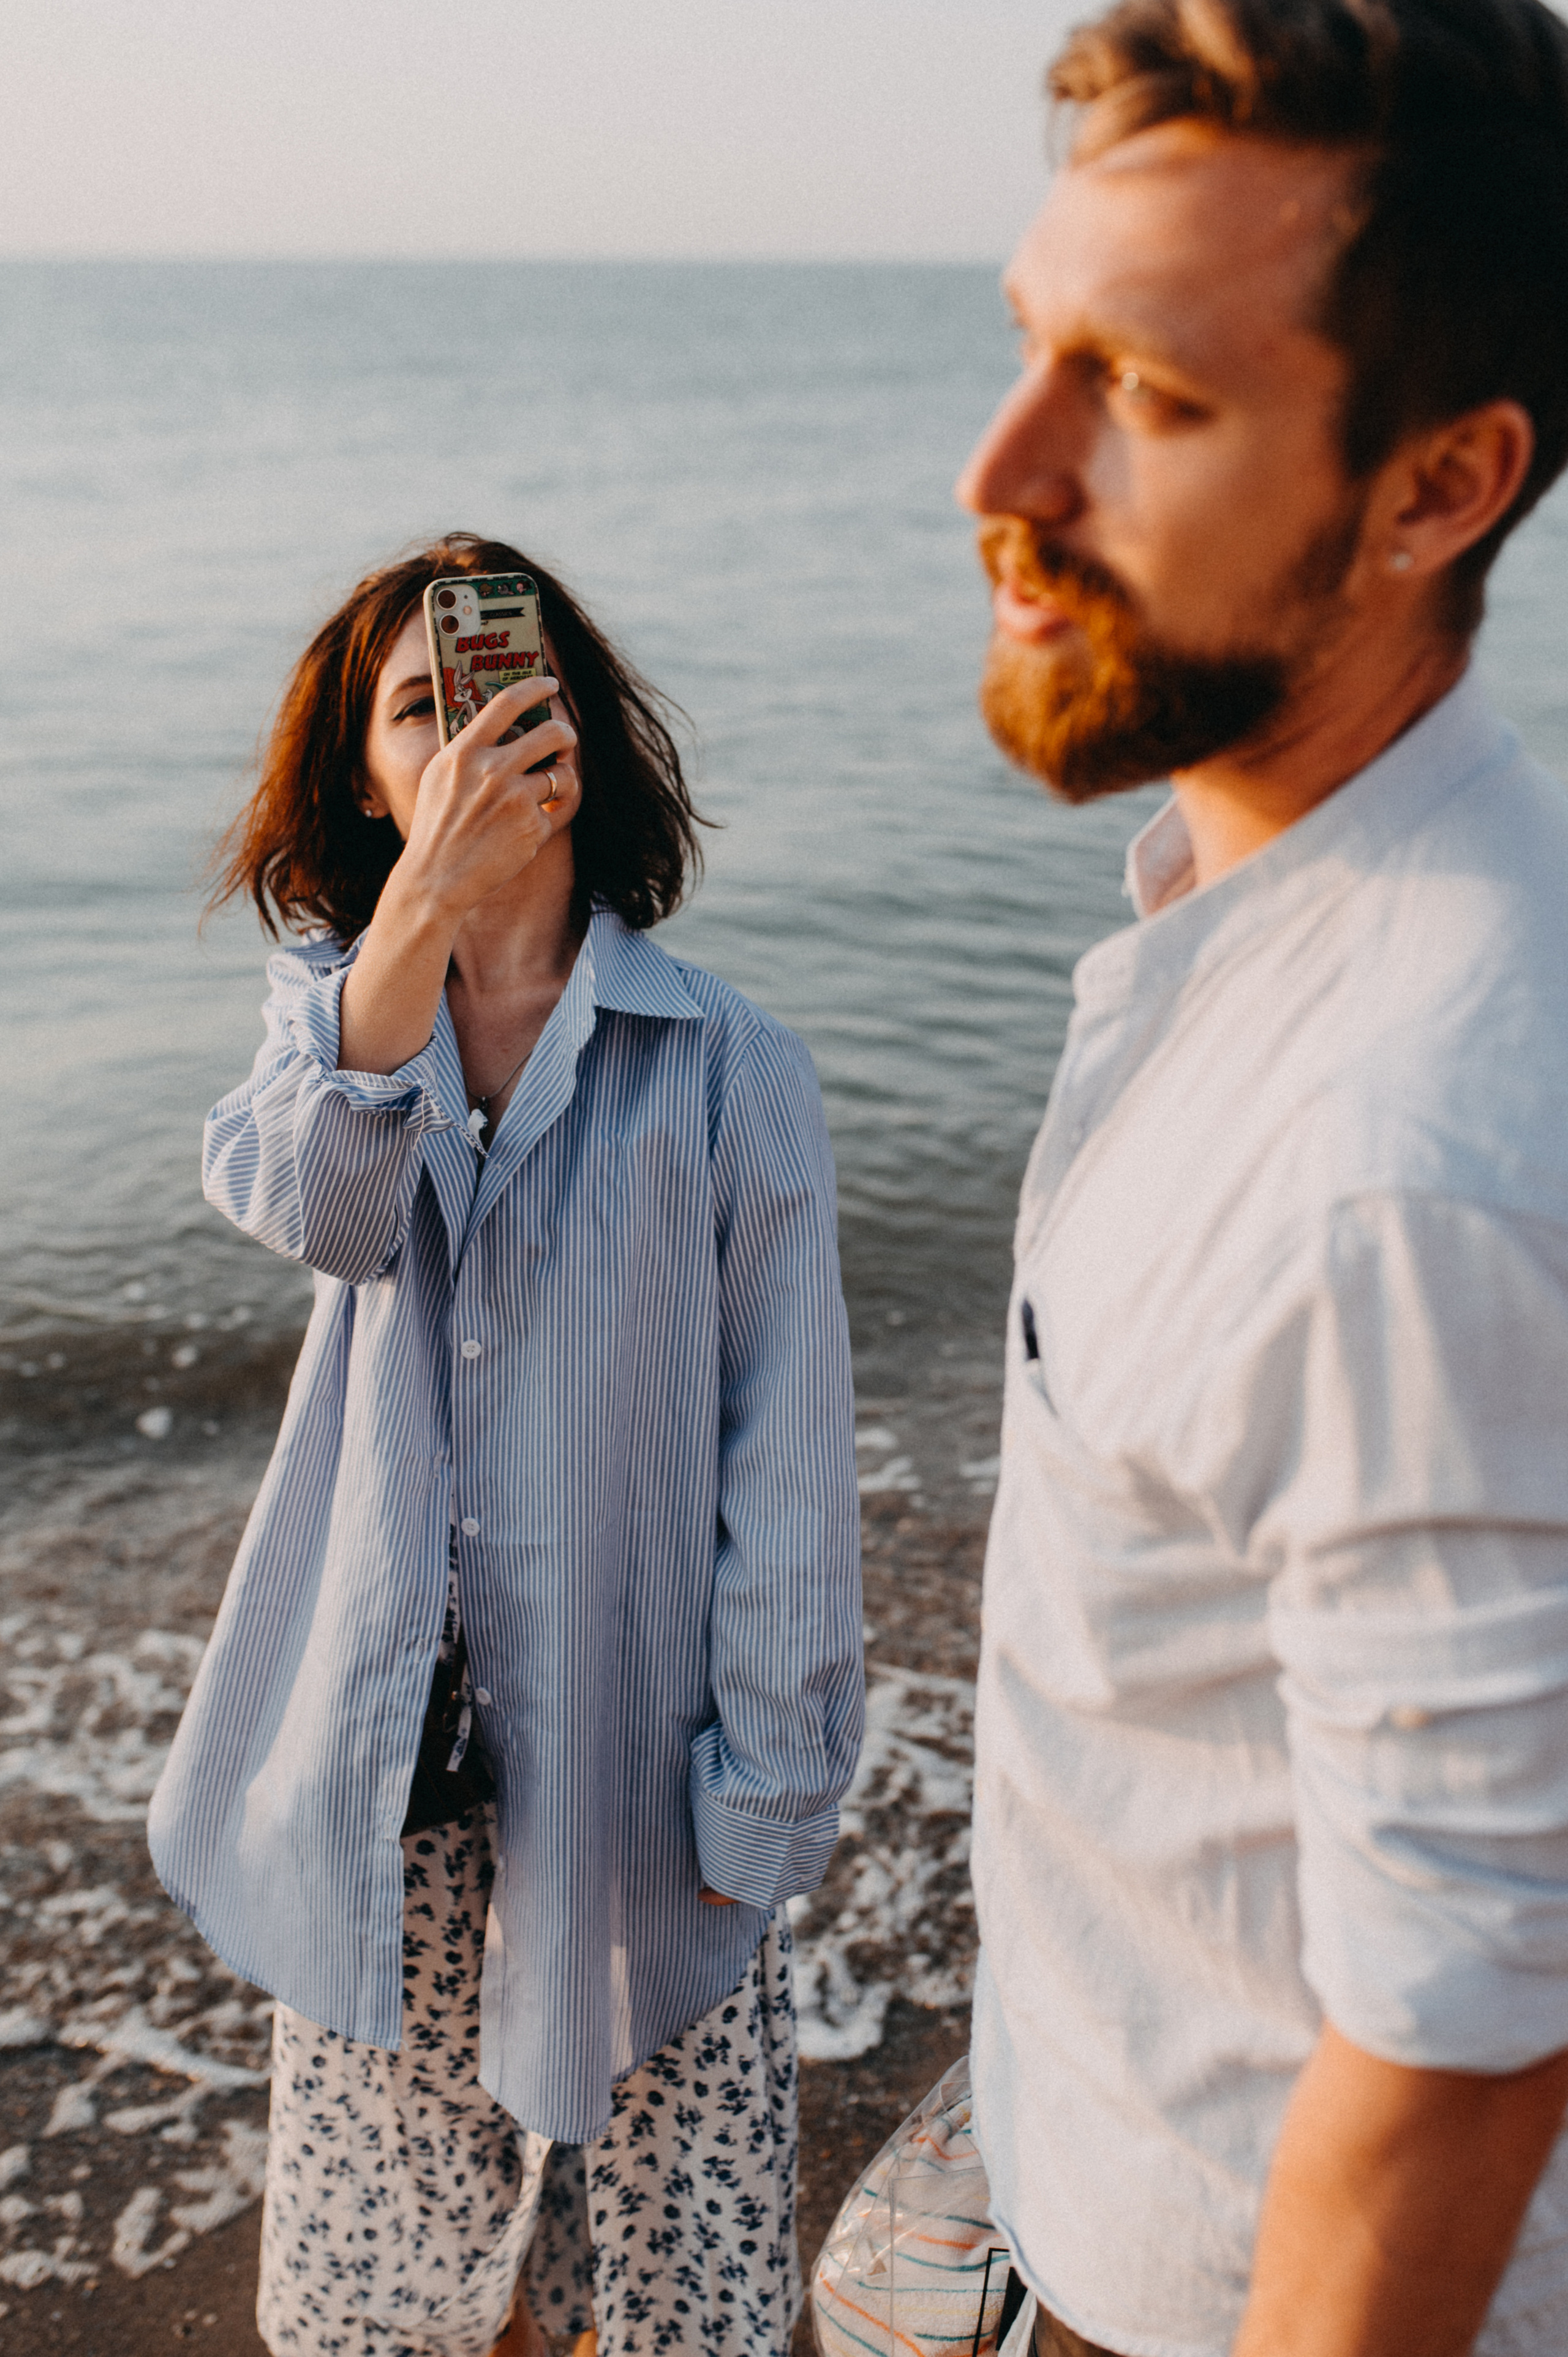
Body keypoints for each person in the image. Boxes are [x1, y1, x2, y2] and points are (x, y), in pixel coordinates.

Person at [956, 3, 1568, 2353]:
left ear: (1438, 487)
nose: (1004, 471)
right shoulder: (1290, 899)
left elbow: (1458, 2048)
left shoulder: (1401, 1167)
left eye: (1146, 390)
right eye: (1032, 344)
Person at [148, 533, 862, 2357]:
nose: (470, 729)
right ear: (365, 783)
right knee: (386, 2305)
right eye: (419, 708)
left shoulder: (733, 1069)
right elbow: (320, 1211)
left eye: (507, 687)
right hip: (380, 1777)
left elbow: (784, 1470)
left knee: (678, 2289)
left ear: (582, 737)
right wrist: (413, 924)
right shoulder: (330, 1033)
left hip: (639, 1774)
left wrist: (767, 1795)